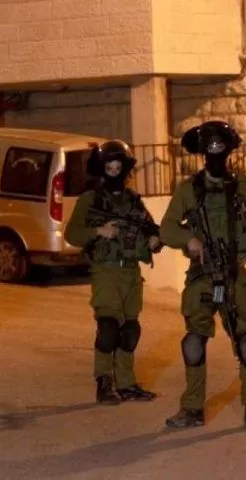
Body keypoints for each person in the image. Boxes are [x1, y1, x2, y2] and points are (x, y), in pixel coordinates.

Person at [159, 120, 246, 429]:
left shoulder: (242, 186)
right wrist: (190, 240)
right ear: (202, 153)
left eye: (220, 148)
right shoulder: (189, 189)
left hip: (234, 274)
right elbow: (167, 228)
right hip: (203, 275)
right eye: (210, 149)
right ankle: (192, 408)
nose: (215, 154)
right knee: (193, 341)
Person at [64, 139, 162, 405]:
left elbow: (151, 228)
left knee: (130, 330)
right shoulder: (90, 200)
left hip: (131, 272)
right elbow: (71, 234)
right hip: (105, 270)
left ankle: (127, 383)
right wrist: (99, 231)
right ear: (102, 169)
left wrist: (154, 240)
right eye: (109, 167)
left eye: (119, 167)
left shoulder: (133, 200)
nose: (114, 172)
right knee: (108, 328)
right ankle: (104, 382)